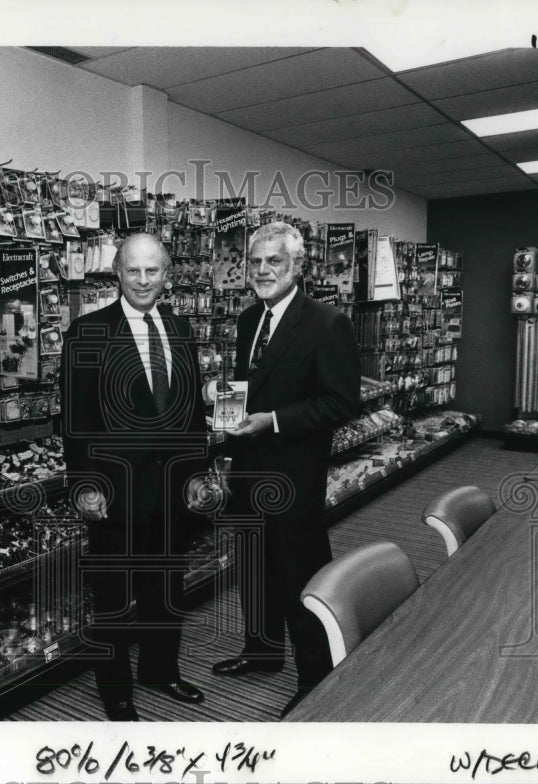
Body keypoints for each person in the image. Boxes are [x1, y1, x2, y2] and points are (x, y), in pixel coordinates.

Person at [211, 221, 361, 719]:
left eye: (273, 261)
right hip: (249, 470)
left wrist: (273, 421)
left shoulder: (327, 322)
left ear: (297, 266)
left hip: (294, 477)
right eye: (255, 261)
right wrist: (227, 410)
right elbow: (249, 385)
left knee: (301, 576)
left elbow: (340, 403)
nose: (261, 270)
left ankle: (316, 677)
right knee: (255, 570)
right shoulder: (248, 319)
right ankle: (261, 651)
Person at [60, 233, 211, 721]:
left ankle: (160, 670)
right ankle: (116, 690)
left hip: (172, 491)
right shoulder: (87, 333)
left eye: (152, 271)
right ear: (116, 274)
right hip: (115, 491)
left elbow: (191, 414)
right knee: (113, 596)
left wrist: (196, 473)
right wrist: (83, 484)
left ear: (167, 274)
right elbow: (76, 419)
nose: (143, 281)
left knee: (165, 587)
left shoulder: (181, 327)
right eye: (132, 271)